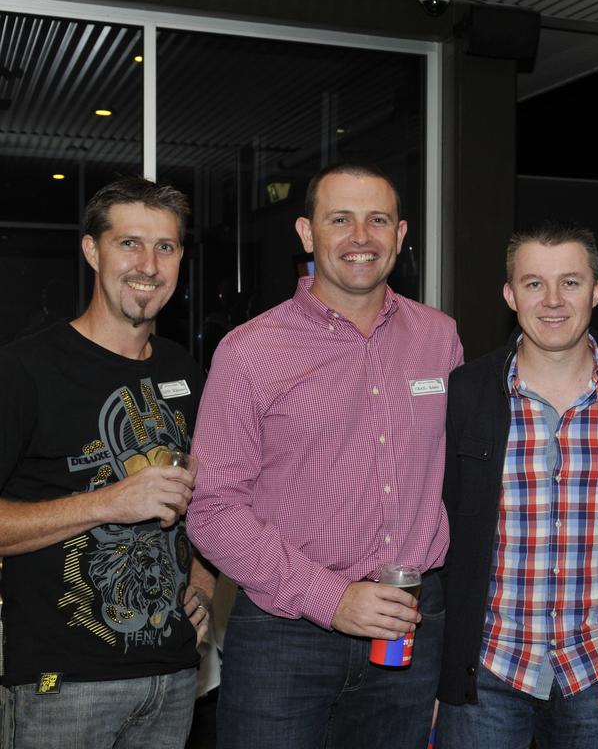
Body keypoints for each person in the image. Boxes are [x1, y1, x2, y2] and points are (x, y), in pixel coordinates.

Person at [186, 162, 463, 749]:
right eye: (341, 219)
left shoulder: (440, 338)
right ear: (308, 234)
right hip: (287, 634)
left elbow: (460, 479)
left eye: (377, 220)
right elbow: (212, 511)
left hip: (412, 627)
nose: (361, 237)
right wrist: (331, 598)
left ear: (401, 234)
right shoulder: (250, 350)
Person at [0, 177, 214, 748]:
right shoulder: (25, 370)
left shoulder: (184, 371)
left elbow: (208, 498)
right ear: (93, 250)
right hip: (62, 685)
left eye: (165, 247)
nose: (148, 264)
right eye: (129, 244)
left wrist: (203, 582)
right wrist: (109, 502)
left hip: (171, 678)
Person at [436, 224, 598, 749]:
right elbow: (439, 530)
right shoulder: (467, 392)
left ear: (597, 291)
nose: (554, 301)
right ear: (510, 295)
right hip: (488, 668)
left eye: (571, 283)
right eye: (534, 284)